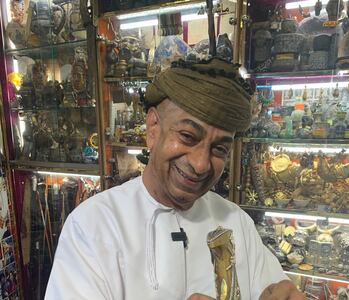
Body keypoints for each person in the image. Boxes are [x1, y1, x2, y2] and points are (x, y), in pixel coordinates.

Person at [45, 58, 304, 300]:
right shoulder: (93, 226)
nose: (200, 164)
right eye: (187, 137)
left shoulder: (237, 223)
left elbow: (273, 290)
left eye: (219, 149)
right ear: (153, 129)